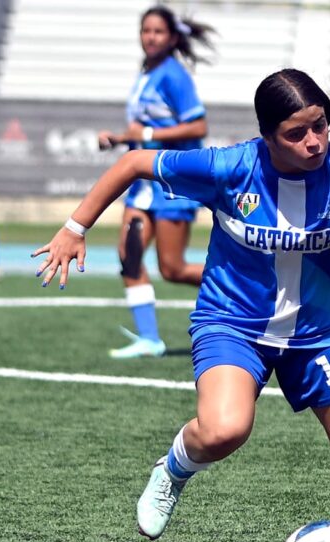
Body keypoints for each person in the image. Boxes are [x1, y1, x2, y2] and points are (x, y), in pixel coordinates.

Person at [33, 68, 330, 542]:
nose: (314, 142)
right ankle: (172, 470)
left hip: (319, 334)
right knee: (224, 430)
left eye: (321, 125)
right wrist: (74, 227)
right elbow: (133, 162)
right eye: (296, 133)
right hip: (232, 322)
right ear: (267, 137)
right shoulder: (230, 167)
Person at [98, 6, 213, 359]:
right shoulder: (146, 72)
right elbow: (144, 131)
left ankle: (252, 286)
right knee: (128, 255)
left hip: (172, 183)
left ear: (173, 37)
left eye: (158, 31)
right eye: (146, 30)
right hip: (143, 184)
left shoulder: (174, 76)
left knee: (172, 268)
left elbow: (198, 127)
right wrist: (120, 139)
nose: (150, 37)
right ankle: (150, 339)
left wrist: (145, 133)